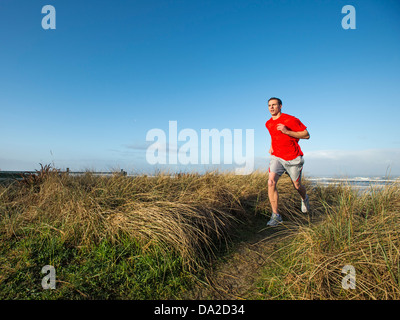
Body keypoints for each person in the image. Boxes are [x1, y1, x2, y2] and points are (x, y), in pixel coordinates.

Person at [265, 97, 310, 226]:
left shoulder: (291, 119)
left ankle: (304, 198)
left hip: (293, 158)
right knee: (271, 182)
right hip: (277, 157)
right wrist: (272, 146)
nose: (271, 107)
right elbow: (274, 136)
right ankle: (276, 216)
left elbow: (306, 135)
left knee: (297, 186)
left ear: (280, 106)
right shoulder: (268, 123)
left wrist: (287, 131)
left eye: (274, 105)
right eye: (269, 105)